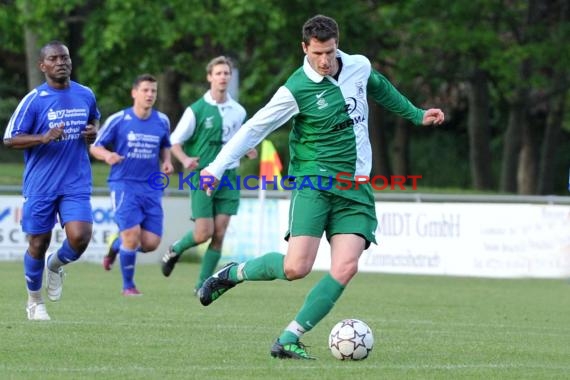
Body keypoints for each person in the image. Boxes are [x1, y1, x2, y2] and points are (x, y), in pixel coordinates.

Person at [197, 15, 445, 359]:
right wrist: (215, 167)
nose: (325, 60)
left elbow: (381, 87)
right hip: (314, 183)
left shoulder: (358, 66)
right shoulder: (296, 89)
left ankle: (288, 338)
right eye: (317, 54)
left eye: (329, 52)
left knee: (346, 266)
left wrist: (417, 114)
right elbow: (254, 128)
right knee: (295, 268)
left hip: (356, 187)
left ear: (337, 44)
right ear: (305, 49)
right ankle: (234, 272)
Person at [3, 40, 100, 321]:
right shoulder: (34, 100)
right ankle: (34, 301)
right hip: (41, 184)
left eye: (65, 57)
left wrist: (93, 132)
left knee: (80, 237)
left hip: (76, 181)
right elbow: (9, 139)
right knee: (38, 242)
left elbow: (94, 121)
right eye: (54, 58)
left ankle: (55, 265)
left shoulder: (86, 94)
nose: (61, 62)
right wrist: (42, 137)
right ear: (42, 65)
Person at [161, 56, 256, 293]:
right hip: (202, 176)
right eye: (219, 73)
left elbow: (242, 140)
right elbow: (175, 141)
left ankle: (202, 285)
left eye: (226, 73)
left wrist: (248, 149)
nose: (223, 77)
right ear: (209, 77)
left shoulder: (238, 111)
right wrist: (184, 160)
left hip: (230, 177)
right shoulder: (197, 110)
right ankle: (176, 248)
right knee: (204, 233)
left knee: (220, 234)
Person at [90, 74, 173, 296]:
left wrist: (166, 161)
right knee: (132, 235)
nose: (149, 95)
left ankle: (116, 246)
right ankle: (128, 286)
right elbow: (95, 146)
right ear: (134, 92)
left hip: (152, 187)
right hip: (124, 185)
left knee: (151, 242)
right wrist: (107, 156)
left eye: (153, 91)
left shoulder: (162, 121)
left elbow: (166, 145)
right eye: (145, 90)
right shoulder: (119, 119)